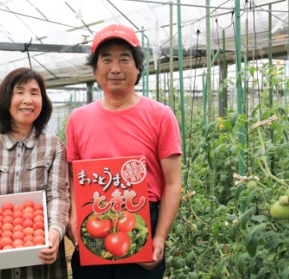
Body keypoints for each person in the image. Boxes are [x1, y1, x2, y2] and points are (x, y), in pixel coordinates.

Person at [66, 24, 182, 278]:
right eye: (106, 59)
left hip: (141, 220)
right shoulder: (78, 119)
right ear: (95, 69)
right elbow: (75, 177)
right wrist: (75, 218)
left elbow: (173, 183)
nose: (115, 68)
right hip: (93, 217)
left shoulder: (160, 116)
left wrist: (159, 236)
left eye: (124, 59)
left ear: (138, 67)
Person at [0, 67, 70, 279]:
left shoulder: (54, 146)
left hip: (41, 261)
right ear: (6, 98)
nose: (28, 99)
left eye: (34, 93)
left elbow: (58, 196)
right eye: (20, 92)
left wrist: (54, 232)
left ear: (43, 102)